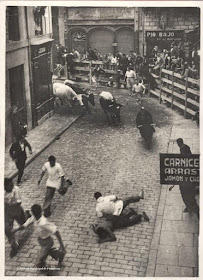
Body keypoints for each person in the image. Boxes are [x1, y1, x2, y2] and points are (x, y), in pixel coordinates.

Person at [13, 204, 66, 268]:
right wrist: (16, 230)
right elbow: (25, 225)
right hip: (41, 240)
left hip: (47, 242)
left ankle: (46, 268)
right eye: (34, 214)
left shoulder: (43, 223)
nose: (35, 216)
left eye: (35, 214)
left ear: (40, 212)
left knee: (38, 262)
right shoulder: (34, 217)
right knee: (47, 251)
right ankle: (59, 255)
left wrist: (62, 245)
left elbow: (56, 231)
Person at [4, 178, 31, 258]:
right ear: (5, 186)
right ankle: (14, 245)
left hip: (16, 209)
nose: (12, 185)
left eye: (12, 183)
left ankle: (27, 214)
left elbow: (19, 202)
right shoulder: (2, 192)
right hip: (7, 212)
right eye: (9, 185)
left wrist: (10, 202)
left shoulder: (16, 189)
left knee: (23, 223)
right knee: (7, 229)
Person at [176, 138, 199, 218]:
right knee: (190, 197)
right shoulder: (186, 147)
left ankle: (191, 208)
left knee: (187, 197)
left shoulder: (183, 151)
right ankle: (191, 208)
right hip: (187, 182)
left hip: (186, 184)